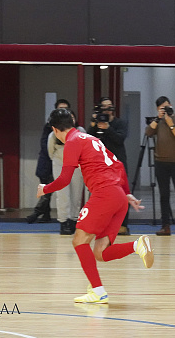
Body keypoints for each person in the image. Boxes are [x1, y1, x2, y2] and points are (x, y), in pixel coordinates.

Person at [37, 108, 153, 304]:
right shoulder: (91, 139)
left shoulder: (72, 141)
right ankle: (137, 245)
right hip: (118, 196)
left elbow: (64, 179)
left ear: (55, 130)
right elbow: (118, 165)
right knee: (100, 252)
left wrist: (45, 189)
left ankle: (98, 291)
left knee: (79, 241)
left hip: (104, 195)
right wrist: (126, 193)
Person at [145, 96, 175, 236]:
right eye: (162, 108)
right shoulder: (157, 121)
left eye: (167, 106)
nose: (166, 109)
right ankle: (165, 226)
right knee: (164, 195)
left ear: (171, 105)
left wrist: (170, 123)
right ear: (158, 109)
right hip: (160, 162)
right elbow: (148, 133)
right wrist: (157, 119)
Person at [87, 97, 129, 235]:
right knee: (102, 195)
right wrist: (93, 124)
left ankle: (122, 224)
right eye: (103, 107)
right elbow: (88, 139)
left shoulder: (120, 123)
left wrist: (108, 128)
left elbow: (119, 139)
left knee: (121, 194)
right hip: (101, 165)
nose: (106, 110)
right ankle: (102, 224)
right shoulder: (96, 123)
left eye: (109, 107)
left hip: (117, 163)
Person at [26, 99, 71, 224]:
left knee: (50, 189)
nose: (63, 111)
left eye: (66, 109)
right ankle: (44, 214)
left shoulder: (72, 127)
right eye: (61, 109)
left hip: (62, 162)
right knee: (45, 187)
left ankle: (37, 212)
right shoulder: (49, 126)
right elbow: (45, 144)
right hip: (47, 161)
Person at [48, 110, 86, 235]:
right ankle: (63, 221)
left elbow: (85, 148)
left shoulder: (80, 131)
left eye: (72, 118)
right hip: (60, 164)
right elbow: (50, 152)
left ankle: (74, 220)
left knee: (76, 194)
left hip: (76, 165)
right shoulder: (54, 134)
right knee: (62, 195)